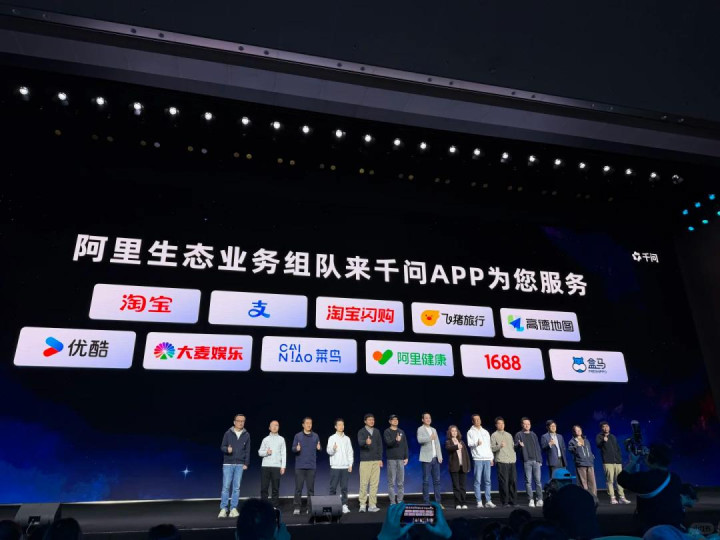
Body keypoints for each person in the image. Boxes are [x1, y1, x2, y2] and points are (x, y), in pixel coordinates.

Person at [618, 443, 684, 534]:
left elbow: (622, 478)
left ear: (651, 459)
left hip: (651, 530)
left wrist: (632, 462)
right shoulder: (676, 479)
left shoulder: (644, 479)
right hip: (673, 529)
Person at [219, 413, 251, 518]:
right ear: (234, 422)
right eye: (239, 421)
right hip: (228, 463)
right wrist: (227, 449)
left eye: (243, 421)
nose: (241, 423)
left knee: (236, 488)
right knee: (226, 487)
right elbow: (222, 447)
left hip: (240, 464)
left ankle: (233, 508)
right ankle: (224, 509)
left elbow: (247, 450)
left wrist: (246, 463)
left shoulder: (246, 435)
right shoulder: (228, 433)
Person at [291, 416, 322, 515]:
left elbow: (319, 448)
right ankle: (297, 507)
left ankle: (310, 507)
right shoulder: (298, 436)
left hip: (311, 466)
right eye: (307, 423)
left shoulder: (315, 436)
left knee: (310, 490)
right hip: (300, 467)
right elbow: (293, 449)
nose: (309, 425)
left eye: (310, 423)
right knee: (298, 489)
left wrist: (319, 448)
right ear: (303, 425)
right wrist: (296, 449)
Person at [596, 421, 631, 504]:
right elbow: (598, 445)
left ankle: (622, 497)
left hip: (617, 462)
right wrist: (603, 441)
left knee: (620, 480)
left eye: (607, 426)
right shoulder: (599, 436)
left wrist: (619, 459)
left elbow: (617, 448)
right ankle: (612, 498)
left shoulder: (613, 436)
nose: (606, 428)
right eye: (604, 426)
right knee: (610, 480)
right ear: (601, 428)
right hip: (608, 462)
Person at [467, 413, 496, 508]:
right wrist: (476, 443)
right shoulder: (470, 432)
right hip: (478, 459)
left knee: (488, 481)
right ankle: (479, 501)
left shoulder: (485, 432)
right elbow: (469, 444)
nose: (477, 421)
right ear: (473, 421)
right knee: (477, 481)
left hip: (487, 458)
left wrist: (491, 458)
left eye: (478, 419)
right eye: (475, 420)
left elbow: (489, 446)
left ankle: (488, 501)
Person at [515, 417, 543, 507]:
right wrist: (519, 445)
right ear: (522, 425)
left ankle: (539, 499)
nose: (527, 425)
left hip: (536, 460)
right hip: (527, 461)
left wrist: (540, 460)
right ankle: (530, 499)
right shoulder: (519, 434)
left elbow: (538, 448)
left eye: (528, 424)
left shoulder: (533, 435)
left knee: (538, 481)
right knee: (528, 481)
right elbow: (515, 447)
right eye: (525, 424)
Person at [327, 418, 354, 514]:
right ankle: (332, 505)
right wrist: (333, 448)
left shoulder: (347, 439)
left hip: (345, 467)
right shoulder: (332, 438)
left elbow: (350, 452)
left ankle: (344, 505)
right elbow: (329, 451)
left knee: (344, 488)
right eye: (339, 425)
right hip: (335, 467)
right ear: (335, 426)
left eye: (342, 425)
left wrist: (350, 464)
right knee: (333, 488)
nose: (341, 426)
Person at [358, 413, 384, 512]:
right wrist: (366, 442)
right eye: (369, 420)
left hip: (376, 461)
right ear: (365, 421)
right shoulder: (361, 431)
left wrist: (380, 459)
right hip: (365, 461)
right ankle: (362, 504)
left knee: (374, 484)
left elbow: (380, 446)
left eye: (373, 419)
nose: (372, 421)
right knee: (364, 483)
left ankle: (372, 505)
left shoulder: (377, 431)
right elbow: (360, 442)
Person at [258, 420, 287, 508]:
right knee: (264, 488)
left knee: (275, 488)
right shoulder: (265, 439)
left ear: (278, 427)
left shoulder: (281, 439)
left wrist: (283, 466)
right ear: (269, 428)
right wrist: (266, 452)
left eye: (276, 425)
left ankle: (274, 506)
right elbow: (260, 452)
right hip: (265, 466)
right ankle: (264, 506)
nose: (274, 427)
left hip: (276, 466)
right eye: (273, 425)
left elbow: (283, 453)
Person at [417, 412, 444, 506]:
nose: (428, 419)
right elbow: (420, 440)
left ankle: (438, 502)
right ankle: (426, 502)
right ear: (423, 420)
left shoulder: (433, 429)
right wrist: (429, 438)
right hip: (426, 459)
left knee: (437, 481)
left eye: (429, 418)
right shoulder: (420, 429)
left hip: (435, 458)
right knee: (426, 481)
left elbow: (437, 443)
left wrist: (439, 456)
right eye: (426, 418)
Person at [491, 416, 518, 508]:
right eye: (499, 424)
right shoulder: (494, 435)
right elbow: (492, 448)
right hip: (502, 461)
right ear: (496, 425)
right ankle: (505, 502)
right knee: (504, 482)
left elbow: (512, 447)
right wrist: (500, 446)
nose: (501, 425)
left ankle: (513, 501)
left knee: (513, 481)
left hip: (511, 461)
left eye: (503, 423)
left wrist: (518, 446)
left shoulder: (509, 435)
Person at [384, 414, 409, 504]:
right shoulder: (387, 431)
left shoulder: (401, 431)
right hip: (391, 459)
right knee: (391, 482)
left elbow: (405, 445)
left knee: (401, 482)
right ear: (390, 421)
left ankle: (400, 500)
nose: (395, 421)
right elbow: (388, 443)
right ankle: (392, 502)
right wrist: (396, 440)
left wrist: (406, 457)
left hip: (401, 459)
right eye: (393, 419)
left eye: (397, 419)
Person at [568, 425, 597, 497]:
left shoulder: (586, 440)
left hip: (589, 463)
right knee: (583, 483)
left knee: (592, 482)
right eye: (576, 430)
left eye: (579, 430)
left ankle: (593, 497)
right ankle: (585, 497)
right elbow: (570, 450)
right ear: (574, 432)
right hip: (580, 463)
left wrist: (591, 456)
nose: (578, 431)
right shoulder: (572, 441)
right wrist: (576, 445)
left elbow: (589, 450)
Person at [445, 425, 471, 509]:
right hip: (454, 467)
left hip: (463, 466)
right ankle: (457, 503)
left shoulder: (461, 442)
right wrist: (456, 446)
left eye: (455, 431)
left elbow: (466, 455)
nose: (454, 432)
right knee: (456, 486)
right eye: (452, 431)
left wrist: (468, 466)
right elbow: (448, 448)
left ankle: (463, 503)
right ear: (450, 432)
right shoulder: (448, 442)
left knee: (463, 486)